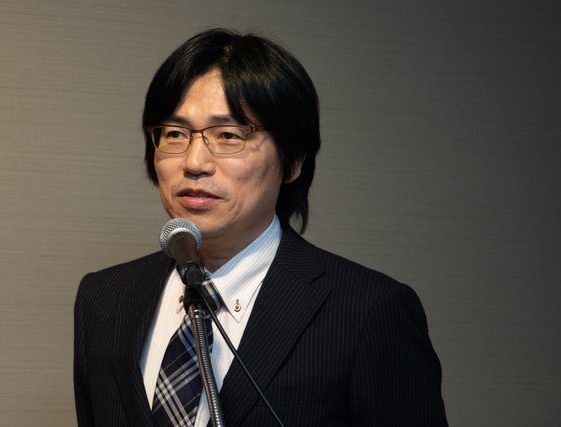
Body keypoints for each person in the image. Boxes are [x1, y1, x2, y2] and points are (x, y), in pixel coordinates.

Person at [74, 28, 448, 426]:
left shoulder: (368, 311)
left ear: (294, 160)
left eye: (228, 135)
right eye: (175, 134)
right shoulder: (104, 299)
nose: (194, 162)